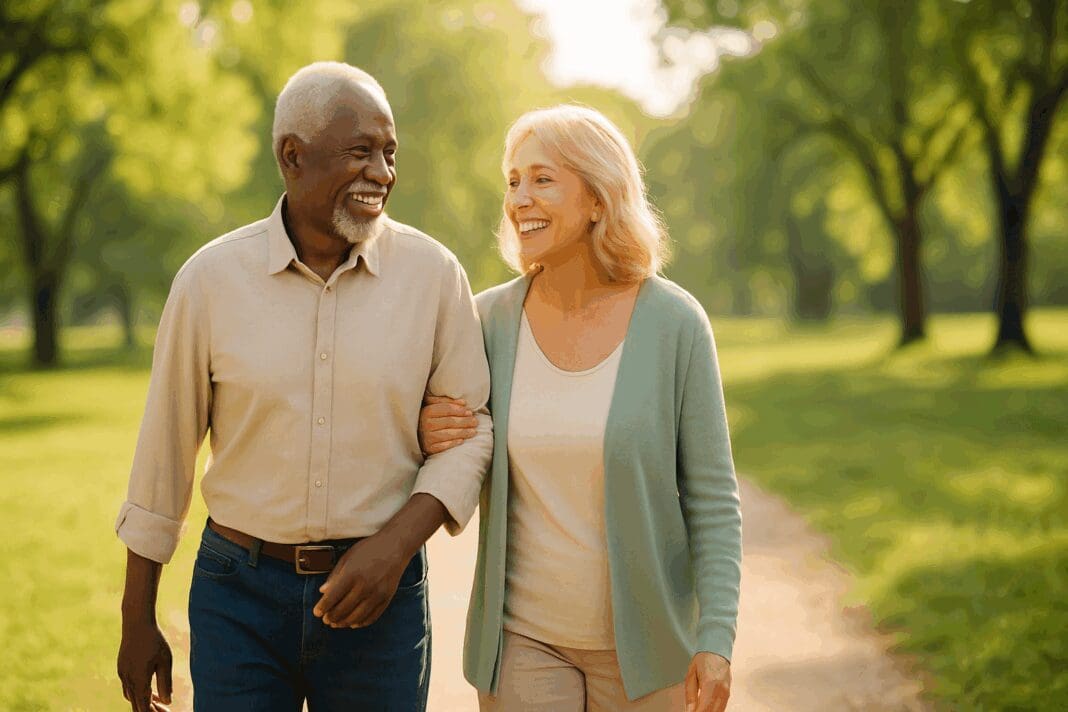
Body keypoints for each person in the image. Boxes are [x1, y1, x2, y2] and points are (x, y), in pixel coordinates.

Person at [114, 61, 493, 712]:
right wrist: (137, 616)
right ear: (294, 156)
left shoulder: (434, 277)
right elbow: (163, 455)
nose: (382, 173)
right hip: (238, 596)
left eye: (390, 153)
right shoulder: (209, 281)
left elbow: (471, 430)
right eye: (360, 152)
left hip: (383, 602)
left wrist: (395, 546)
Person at [418, 105, 742, 712]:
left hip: (649, 649)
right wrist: (427, 428)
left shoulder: (675, 324)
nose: (520, 199)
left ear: (598, 197)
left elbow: (713, 498)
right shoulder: (487, 320)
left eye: (543, 178)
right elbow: (442, 432)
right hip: (523, 642)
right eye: (512, 181)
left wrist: (716, 638)